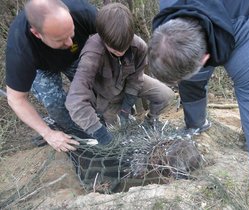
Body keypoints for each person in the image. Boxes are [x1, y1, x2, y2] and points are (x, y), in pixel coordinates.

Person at [148, 0, 249, 209]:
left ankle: (245, 135)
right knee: (189, 74)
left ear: (205, 58)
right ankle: (196, 124)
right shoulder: (167, 12)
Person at [65, 3, 174, 140]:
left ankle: (150, 121)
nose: (121, 52)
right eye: (115, 50)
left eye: (125, 47)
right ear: (103, 39)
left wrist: (127, 106)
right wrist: (99, 133)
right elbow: (75, 100)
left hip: (129, 82)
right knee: (119, 133)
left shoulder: (139, 46)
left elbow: (136, 78)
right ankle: (112, 124)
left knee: (166, 95)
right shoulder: (92, 53)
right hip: (106, 96)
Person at [5, 0, 98, 153]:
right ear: (36, 33)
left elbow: (116, 38)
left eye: (71, 33)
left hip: (79, 55)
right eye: (60, 39)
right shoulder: (20, 49)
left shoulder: (83, 11)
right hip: (42, 67)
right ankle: (80, 138)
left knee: (95, 88)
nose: (69, 42)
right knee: (55, 104)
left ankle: (100, 123)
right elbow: (16, 99)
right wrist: (47, 133)